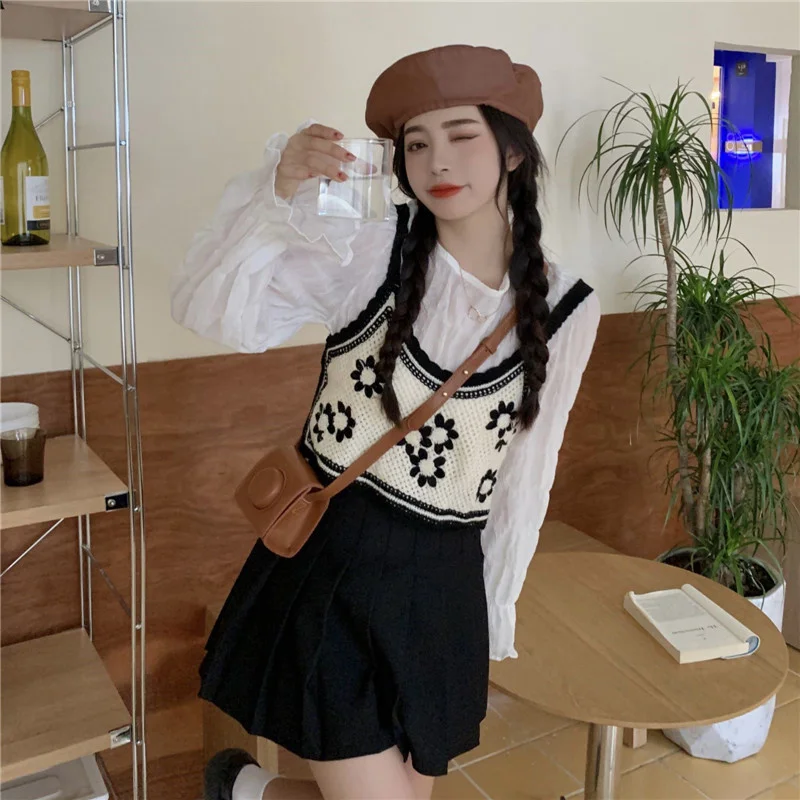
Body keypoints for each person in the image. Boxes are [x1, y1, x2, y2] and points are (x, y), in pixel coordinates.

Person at [171, 44, 601, 800]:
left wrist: (494, 607)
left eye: (461, 135)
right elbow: (211, 309)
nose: (439, 161)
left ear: (510, 150)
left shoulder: (567, 308)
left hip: (442, 583)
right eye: (417, 143)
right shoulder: (369, 251)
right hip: (334, 562)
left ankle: (245, 792)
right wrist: (277, 193)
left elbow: (527, 474)